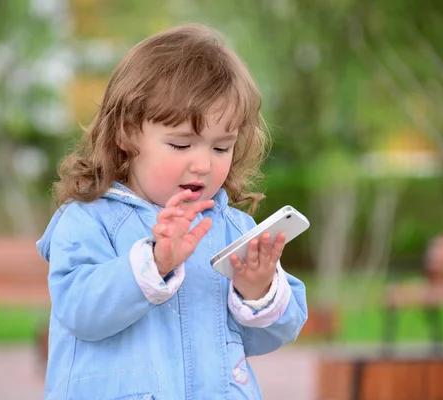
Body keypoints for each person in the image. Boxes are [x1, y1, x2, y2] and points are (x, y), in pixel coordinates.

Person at [36, 24, 308, 400]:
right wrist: (152, 263)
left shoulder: (232, 228)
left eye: (221, 148)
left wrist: (258, 291)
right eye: (181, 144)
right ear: (126, 133)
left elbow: (273, 335)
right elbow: (80, 311)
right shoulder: (88, 220)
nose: (203, 165)